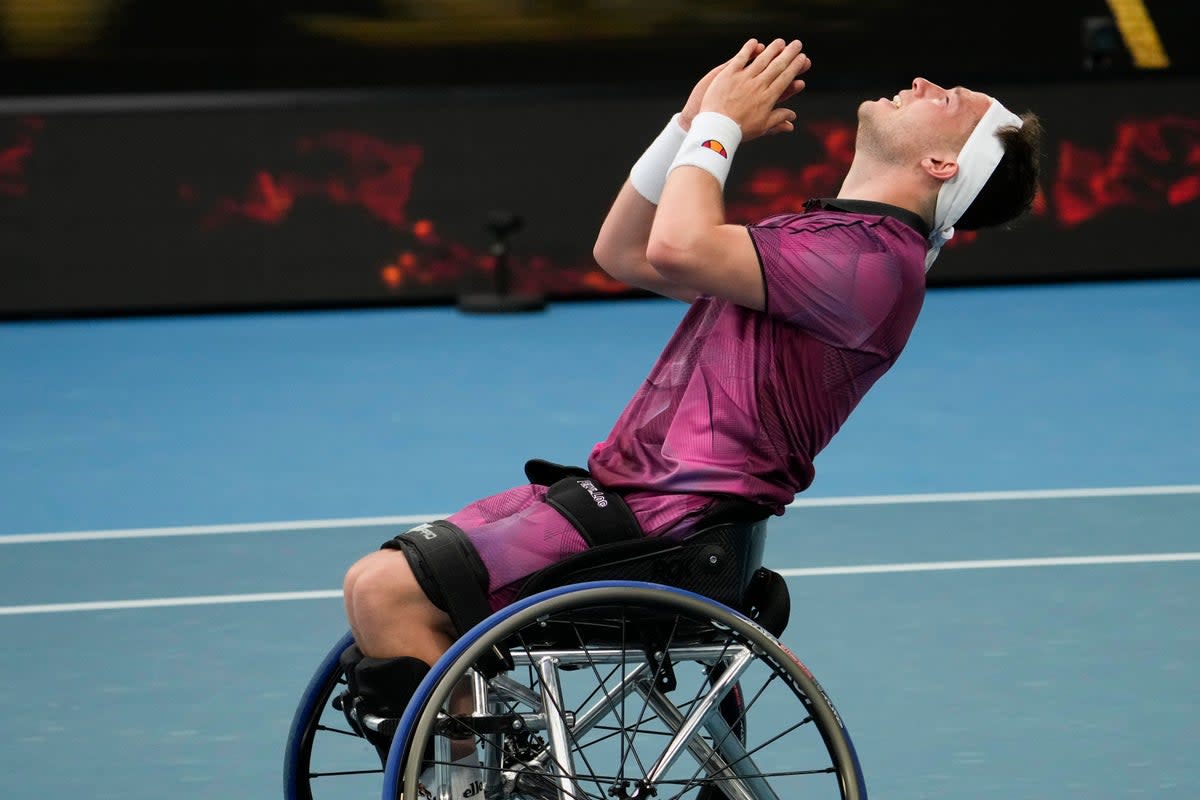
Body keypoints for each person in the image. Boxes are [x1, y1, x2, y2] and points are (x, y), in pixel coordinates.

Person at [340, 36, 1043, 790]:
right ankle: (480, 776)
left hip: (670, 527)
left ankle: (479, 781)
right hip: (631, 503)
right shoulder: (838, 242)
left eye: (948, 99)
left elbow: (676, 248)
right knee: (378, 594)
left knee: (385, 591)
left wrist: (721, 129)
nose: (922, 79)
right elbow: (628, 252)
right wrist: (688, 124)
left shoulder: (871, 263)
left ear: (943, 165)